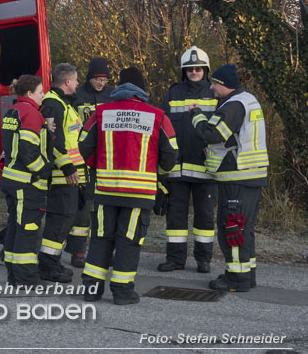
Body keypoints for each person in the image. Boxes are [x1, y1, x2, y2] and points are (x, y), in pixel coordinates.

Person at [79, 67, 178, 305]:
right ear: (141, 90)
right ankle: (122, 292)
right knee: (128, 241)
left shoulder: (101, 113)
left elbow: (83, 146)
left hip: (106, 190)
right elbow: (171, 154)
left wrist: (100, 166)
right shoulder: (158, 116)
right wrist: (157, 175)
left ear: (119, 88)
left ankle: (92, 290)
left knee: (101, 238)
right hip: (139, 192)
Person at [190, 64, 268, 292]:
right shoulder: (246, 100)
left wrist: (195, 116)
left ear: (225, 85)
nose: (211, 87)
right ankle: (247, 274)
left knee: (232, 229)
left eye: (215, 83)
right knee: (245, 228)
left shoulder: (234, 105)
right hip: (249, 176)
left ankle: (236, 278)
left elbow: (213, 134)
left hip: (237, 178)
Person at [157, 46, 218, 274]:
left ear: (205, 69)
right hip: (177, 168)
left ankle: (203, 260)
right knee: (175, 219)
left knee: (204, 217)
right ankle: (175, 259)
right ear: (184, 70)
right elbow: (162, 127)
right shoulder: (173, 93)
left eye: (198, 68)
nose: (194, 71)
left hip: (205, 169)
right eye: (190, 68)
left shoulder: (214, 93)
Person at [1, 74, 54, 286]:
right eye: (41, 92)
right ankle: (26, 278)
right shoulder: (31, 114)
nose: (43, 96)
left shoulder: (13, 111)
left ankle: (14, 275)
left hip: (12, 180)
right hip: (27, 183)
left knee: (15, 227)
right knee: (28, 230)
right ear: (30, 93)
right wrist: (44, 171)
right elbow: (28, 151)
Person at [38, 63, 82, 282]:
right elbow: (53, 140)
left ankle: (52, 261)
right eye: (75, 80)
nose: (77, 84)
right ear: (67, 81)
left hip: (68, 174)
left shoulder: (64, 104)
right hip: (62, 174)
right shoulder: (53, 104)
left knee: (66, 218)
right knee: (60, 218)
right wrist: (67, 167)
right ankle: (47, 265)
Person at [67, 57, 112, 268]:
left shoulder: (112, 96)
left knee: (103, 208)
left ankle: (102, 251)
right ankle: (77, 251)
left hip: (104, 159)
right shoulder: (78, 95)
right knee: (82, 208)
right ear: (89, 77)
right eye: (97, 79)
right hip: (81, 157)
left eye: (104, 79)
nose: (101, 83)